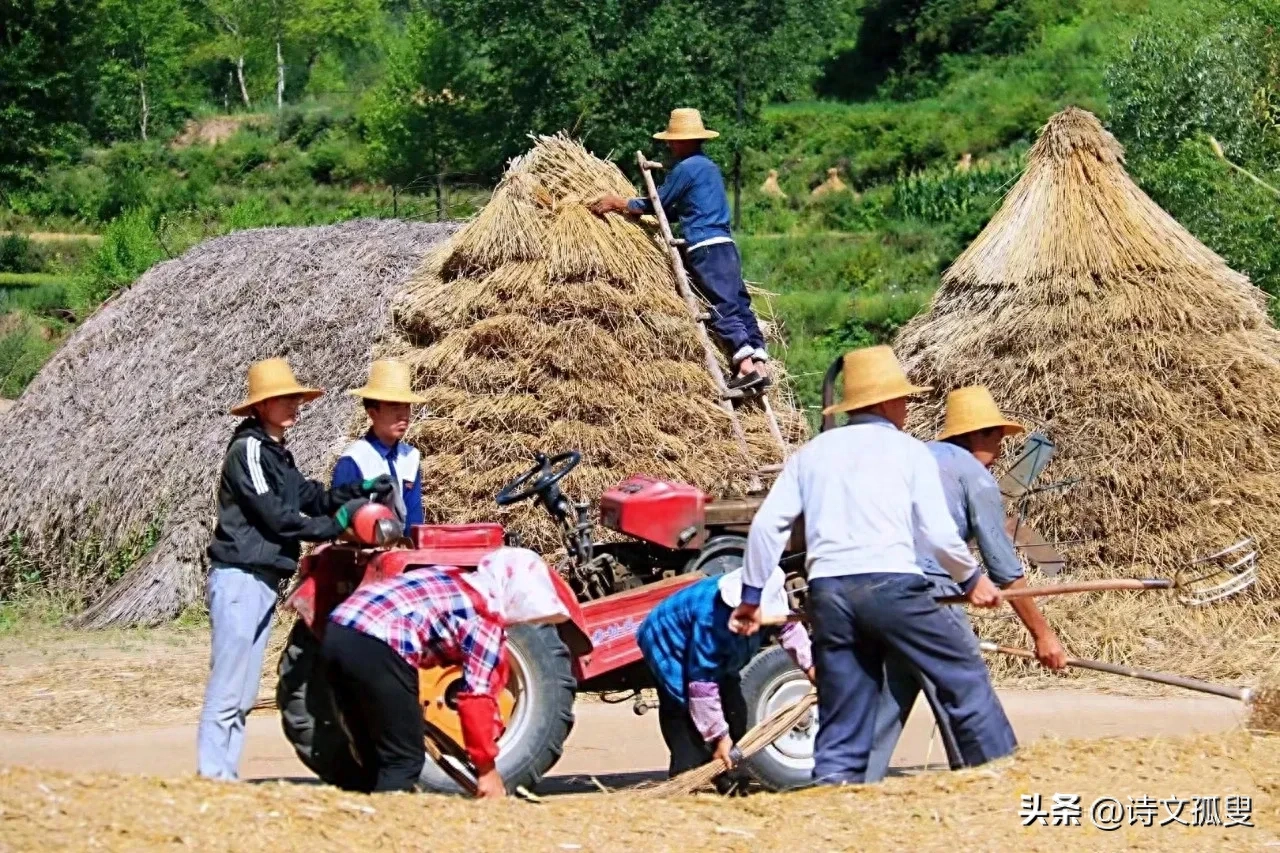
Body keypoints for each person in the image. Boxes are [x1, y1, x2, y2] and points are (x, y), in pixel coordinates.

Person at [729, 345, 1018, 785]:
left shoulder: (812, 453)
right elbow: (938, 534)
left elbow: (769, 525)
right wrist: (972, 578)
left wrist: (752, 598)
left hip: (829, 593)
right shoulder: (909, 452)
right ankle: (997, 776)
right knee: (962, 673)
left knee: (846, 703)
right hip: (892, 587)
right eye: (902, 399)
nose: (906, 408)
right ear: (884, 402)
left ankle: (836, 794)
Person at [198, 357, 392, 781]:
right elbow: (278, 517)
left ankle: (222, 777)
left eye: (295, 398)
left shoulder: (276, 452)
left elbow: (309, 495)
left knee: (245, 690)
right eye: (285, 399)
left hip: (262, 577)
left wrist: (354, 494)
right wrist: (338, 527)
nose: (295, 406)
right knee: (230, 684)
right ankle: (213, 776)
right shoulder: (248, 450)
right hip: (240, 576)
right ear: (261, 406)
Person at [865, 386, 1067, 782]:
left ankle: (848, 784)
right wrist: (1043, 636)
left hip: (874, 589)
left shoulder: (912, 457)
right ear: (975, 435)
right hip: (928, 593)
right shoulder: (974, 475)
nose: (1002, 449)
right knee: (965, 688)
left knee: (889, 691)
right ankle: (986, 780)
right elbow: (1005, 569)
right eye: (996, 437)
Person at [323, 547, 572, 797]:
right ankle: (387, 828)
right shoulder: (483, 618)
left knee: (372, 754)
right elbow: (477, 701)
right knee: (403, 761)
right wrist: (487, 771)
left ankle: (360, 821)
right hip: (377, 642)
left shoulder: (453, 576)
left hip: (337, 630)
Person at [589, 108, 770, 394]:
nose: (670, 146)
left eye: (673, 141)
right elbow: (677, 210)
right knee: (737, 300)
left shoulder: (685, 169)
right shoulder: (709, 167)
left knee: (721, 305)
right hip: (726, 245)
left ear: (687, 141)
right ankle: (760, 362)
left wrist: (620, 203)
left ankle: (745, 364)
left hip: (704, 247)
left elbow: (658, 204)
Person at [638, 566, 813, 792]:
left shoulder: (770, 595)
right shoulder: (710, 619)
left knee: (735, 710)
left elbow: (789, 629)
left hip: (715, 647)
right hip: (668, 639)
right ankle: (688, 778)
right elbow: (701, 685)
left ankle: (729, 774)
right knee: (686, 714)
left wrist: (812, 669)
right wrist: (718, 737)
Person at [332, 359, 427, 536]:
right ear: (372, 413)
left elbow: (414, 522)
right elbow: (339, 523)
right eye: (394, 406)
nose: (404, 415)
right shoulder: (354, 460)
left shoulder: (410, 457)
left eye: (407, 406)